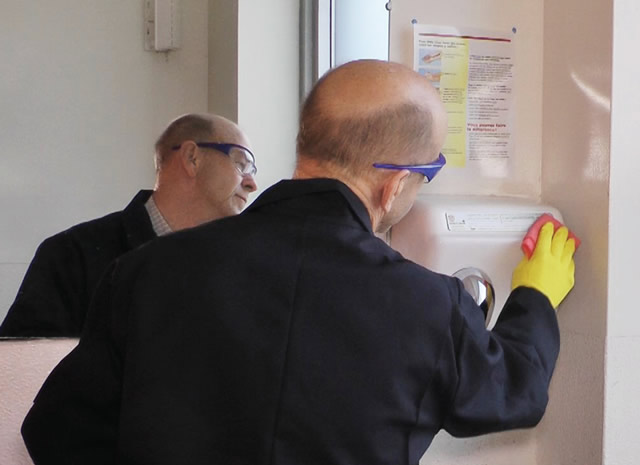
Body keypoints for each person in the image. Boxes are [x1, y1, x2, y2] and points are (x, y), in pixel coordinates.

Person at [21, 60, 576, 465]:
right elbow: (516, 390)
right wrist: (535, 295)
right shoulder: (429, 306)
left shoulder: (146, 272)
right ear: (396, 184)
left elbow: (54, 430)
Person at [0, 113, 257, 337]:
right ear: (192, 158)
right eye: (241, 163)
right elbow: (25, 370)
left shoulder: (242, 268)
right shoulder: (73, 255)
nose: (251, 184)